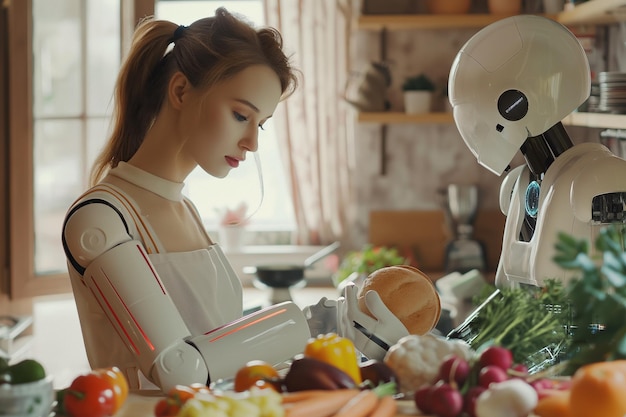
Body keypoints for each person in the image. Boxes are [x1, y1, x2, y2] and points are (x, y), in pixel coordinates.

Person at [61, 7, 408, 393]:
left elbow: (219, 348)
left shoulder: (185, 209)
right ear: (180, 91)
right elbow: (179, 368)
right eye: (241, 115)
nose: (253, 143)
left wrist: (339, 331)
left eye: (260, 124)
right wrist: (317, 328)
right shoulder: (101, 219)